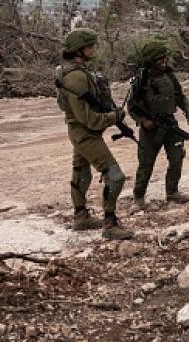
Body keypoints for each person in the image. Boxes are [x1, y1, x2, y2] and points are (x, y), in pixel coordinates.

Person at [56, 28, 133, 240]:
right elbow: (89, 119)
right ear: (78, 49)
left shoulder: (75, 71)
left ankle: (81, 217)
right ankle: (110, 224)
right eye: (90, 46)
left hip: (79, 132)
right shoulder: (76, 77)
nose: (93, 49)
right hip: (85, 134)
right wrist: (114, 117)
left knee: (81, 172)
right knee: (115, 176)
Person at [128, 39, 189, 212]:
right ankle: (139, 198)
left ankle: (172, 192)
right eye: (160, 58)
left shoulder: (170, 76)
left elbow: (180, 97)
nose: (164, 61)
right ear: (151, 60)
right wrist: (144, 121)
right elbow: (132, 107)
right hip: (150, 129)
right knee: (146, 163)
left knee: (177, 157)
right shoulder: (141, 81)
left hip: (170, 124)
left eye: (165, 57)